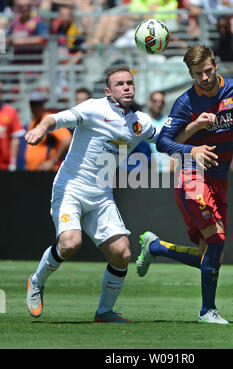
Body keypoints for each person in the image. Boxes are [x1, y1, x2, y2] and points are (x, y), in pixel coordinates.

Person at [135, 45, 233, 324]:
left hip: (219, 181)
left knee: (211, 257)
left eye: (207, 71)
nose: (204, 78)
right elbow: (162, 142)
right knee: (216, 239)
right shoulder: (185, 103)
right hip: (192, 176)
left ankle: (155, 247)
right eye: (197, 74)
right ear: (190, 73)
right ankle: (207, 311)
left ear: (215, 65)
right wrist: (192, 143)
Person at [25, 66, 160, 323]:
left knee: (122, 254)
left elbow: (168, 140)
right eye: (120, 84)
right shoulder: (93, 108)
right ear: (109, 92)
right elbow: (55, 118)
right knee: (70, 244)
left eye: (130, 82)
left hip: (101, 196)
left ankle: (104, 312)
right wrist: (42, 128)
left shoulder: (140, 122)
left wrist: (195, 138)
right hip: (71, 188)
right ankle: (36, 280)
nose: (127, 87)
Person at [24, 90, 72, 171]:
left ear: (43, 105)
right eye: (32, 104)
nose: (34, 107)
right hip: (32, 172)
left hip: (47, 172)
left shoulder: (48, 121)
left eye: (37, 104)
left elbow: (67, 139)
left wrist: (53, 161)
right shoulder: (33, 121)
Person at [8, 0, 49, 64]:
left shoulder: (38, 21)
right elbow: (8, 38)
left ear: (31, 6)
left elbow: (44, 39)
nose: (25, 8)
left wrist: (23, 41)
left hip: (33, 65)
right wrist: (10, 41)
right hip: (17, 63)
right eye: (21, 6)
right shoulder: (14, 22)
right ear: (17, 7)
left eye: (27, 6)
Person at [0, 81, 25, 171]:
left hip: (5, 166)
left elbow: (15, 140)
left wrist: (13, 162)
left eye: (1, 90)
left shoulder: (10, 111)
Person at [147, 90, 174, 172]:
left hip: (167, 170)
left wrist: (171, 167)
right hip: (148, 170)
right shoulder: (144, 123)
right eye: (155, 101)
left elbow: (173, 144)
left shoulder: (168, 122)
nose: (159, 104)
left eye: (161, 102)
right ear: (149, 102)